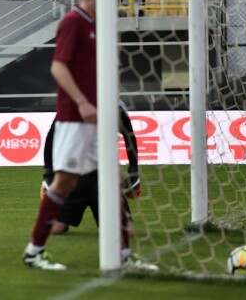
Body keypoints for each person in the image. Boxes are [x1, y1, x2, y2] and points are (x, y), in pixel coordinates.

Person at [22, 0, 97, 270]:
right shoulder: (73, 22)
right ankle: (34, 250)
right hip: (74, 117)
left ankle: (126, 253)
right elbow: (58, 68)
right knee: (64, 181)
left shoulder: (98, 24)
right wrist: (81, 101)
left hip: (93, 118)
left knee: (112, 177)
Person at [39, 101, 157, 271]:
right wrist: (48, 174)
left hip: (106, 179)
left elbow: (129, 136)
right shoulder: (73, 103)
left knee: (127, 232)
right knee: (55, 228)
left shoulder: (114, 105)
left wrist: (133, 171)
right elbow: (51, 138)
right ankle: (35, 250)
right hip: (76, 177)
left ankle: (124, 254)